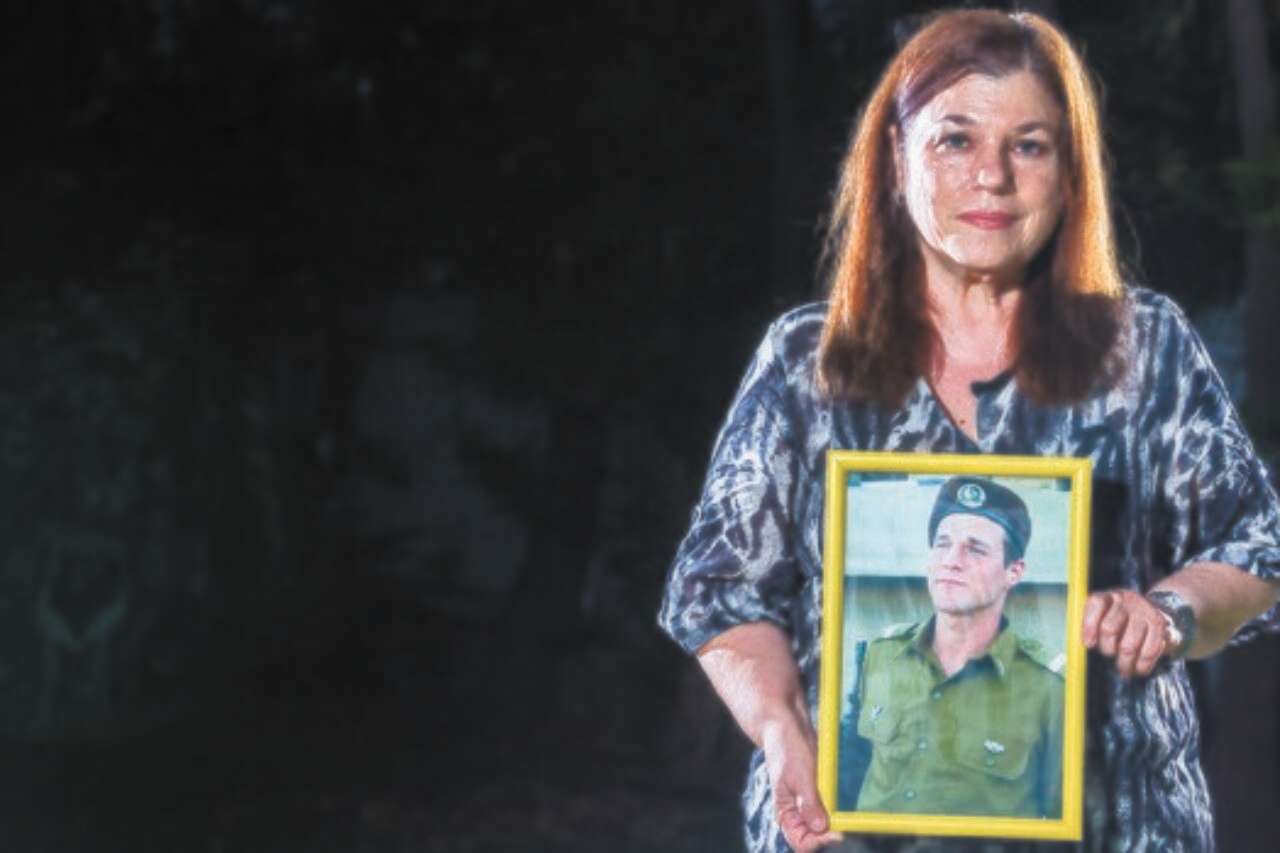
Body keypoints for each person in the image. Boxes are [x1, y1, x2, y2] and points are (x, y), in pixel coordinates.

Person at [658, 8, 1280, 853]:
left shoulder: (1146, 349)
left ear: (1069, 172)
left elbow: (1257, 548)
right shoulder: (808, 361)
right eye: (956, 140)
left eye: (1030, 145)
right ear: (896, 157)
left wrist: (1168, 613)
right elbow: (720, 593)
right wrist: (781, 728)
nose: (993, 176)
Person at [837, 476, 1064, 820]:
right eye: (942, 544)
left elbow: (1068, 822)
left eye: (975, 549)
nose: (951, 560)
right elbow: (848, 776)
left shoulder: (1050, 687)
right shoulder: (881, 655)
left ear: (1013, 572)